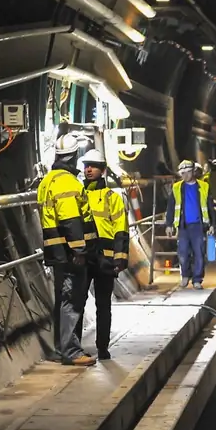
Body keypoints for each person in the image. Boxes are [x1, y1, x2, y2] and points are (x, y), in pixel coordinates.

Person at [37, 134, 97, 366]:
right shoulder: (68, 183)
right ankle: (71, 352)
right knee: (72, 301)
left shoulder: (47, 181)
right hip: (70, 253)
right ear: (73, 157)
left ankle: (61, 347)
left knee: (62, 299)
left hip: (56, 252)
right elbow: (71, 220)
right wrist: (80, 251)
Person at [76, 149, 129, 360]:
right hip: (85, 256)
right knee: (78, 303)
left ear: (103, 170)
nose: (88, 169)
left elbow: (121, 229)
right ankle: (75, 347)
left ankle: (102, 347)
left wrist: (120, 258)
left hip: (105, 259)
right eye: (86, 165)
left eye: (93, 166)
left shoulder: (112, 198)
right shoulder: (79, 195)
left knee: (103, 305)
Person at [165, 160, 215, 289]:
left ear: (193, 172)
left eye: (188, 172)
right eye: (183, 173)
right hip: (183, 226)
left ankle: (197, 279)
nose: (185, 176)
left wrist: (212, 225)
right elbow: (170, 207)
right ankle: (185, 276)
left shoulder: (204, 186)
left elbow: (210, 207)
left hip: (199, 226)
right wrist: (169, 224)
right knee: (183, 253)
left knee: (199, 253)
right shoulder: (176, 187)